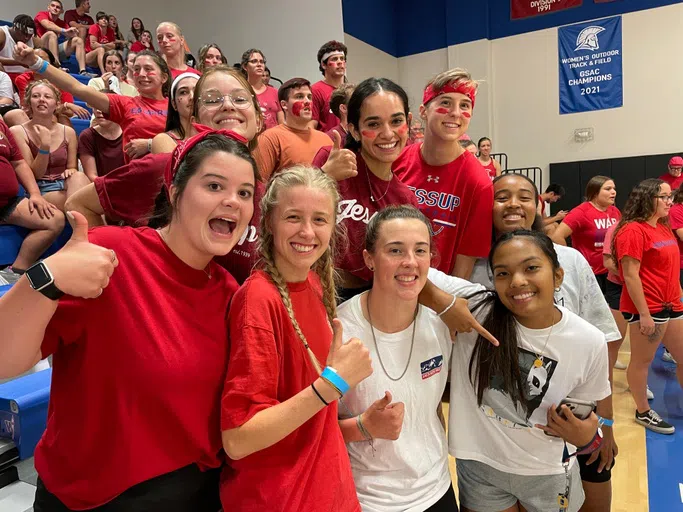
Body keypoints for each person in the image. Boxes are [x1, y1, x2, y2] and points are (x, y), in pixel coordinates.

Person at [0, 129, 258, 509]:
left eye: (245, 193)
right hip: (91, 498)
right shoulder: (111, 255)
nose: (232, 202)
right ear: (174, 191)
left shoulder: (231, 294)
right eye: (215, 185)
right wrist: (45, 279)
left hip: (192, 494)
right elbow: (6, 360)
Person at [451, 173, 620, 512]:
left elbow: (600, 344)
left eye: (524, 196)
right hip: (493, 443)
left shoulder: (568, 260)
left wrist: (605, 425)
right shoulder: (471, 265)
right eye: (502, 196)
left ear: (538, 204)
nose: (513, 203)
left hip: (567, 425)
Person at [220, 164, 372, 511]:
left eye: (319, 219)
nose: (307, 231)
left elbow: (311, 421)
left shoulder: (314, 283)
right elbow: (238, 438)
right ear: (270, 222)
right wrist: (332, 383)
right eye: (293, 217)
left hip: (326, 490)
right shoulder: (258, 300)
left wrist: (362, 424)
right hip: (281, 498)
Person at [66, 66, 263, 284]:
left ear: (259, 119)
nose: (227, 105)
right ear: (195, 118)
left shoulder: (268, 196)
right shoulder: (164, 167)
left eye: (240, 98)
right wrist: (116, 274)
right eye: (211, 99)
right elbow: (79, 204)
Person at [337, 205, 458, 511]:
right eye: (395, 250)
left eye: (420, 250)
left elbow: (431, 412)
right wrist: (363, 426)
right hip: (367, 498)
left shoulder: (440, 324)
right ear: (369, 259)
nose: (410, 262)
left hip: (437, 489)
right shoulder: (339, 330)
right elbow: (311, 429)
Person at [312, 77, 417, 300]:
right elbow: (288, 216)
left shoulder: (405, 198)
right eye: (373, 124)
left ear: (408, 122)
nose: (388, 133)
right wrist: (324, 177)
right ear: (355, 130)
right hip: (316, 289)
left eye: (396, 121)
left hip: (372, 299)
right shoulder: (330, 160)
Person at [392, 68, 494, 280]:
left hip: (437, 293)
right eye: (445, 102)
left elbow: (465, 261)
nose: (456, 113)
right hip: (386, 282)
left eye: (464, 105)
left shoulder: (478, 182)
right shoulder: (396, 161)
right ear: (423, 111)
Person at [14, 43, 169, 163]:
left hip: (173, 179)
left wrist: (149, 144)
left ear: (164, 77)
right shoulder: (125, 103)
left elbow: (189, 141)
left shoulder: (175, 106)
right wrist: (36, 63)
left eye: (148, 69)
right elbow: (77, 87)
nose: (141, 74)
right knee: (75, 203)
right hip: (138, 179)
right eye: (136, 69)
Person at [612, 178, 683, 435]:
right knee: (642, 361)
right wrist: (644, 314)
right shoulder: (632, 230)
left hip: (672, 304)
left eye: (670, 196)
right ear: (647, 198)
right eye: (663, 197)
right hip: (648, 307)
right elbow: (630, 275)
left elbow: (671, 268)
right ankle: (642, 411)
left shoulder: (663, 227)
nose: (669, 201)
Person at [11, 80, 89, 210]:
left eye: (47, 96)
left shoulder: (68, 132)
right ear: (29, 102)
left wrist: (72, 170)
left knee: (79, 176)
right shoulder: (18, 131)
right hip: (41, 188)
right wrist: (44, 146)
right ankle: (94, 229)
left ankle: (88, 229)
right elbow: (35, 175)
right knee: (85, 202)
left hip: (66, 184)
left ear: (56, 104)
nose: (41, 100)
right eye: (36, 96)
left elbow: (72, 167)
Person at [0, 117, 64, 273]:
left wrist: (35, 193)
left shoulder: (1, 124)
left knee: (54, 220)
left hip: (8, 203)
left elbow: (18, 162)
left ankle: (17, 270)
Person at [552, 176, 620, 294]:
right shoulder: (581, 212)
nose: (613, 192)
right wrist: (572, 260)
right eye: (608, 189)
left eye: (614, 188)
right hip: (591, 273)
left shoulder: (614, 211)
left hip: (611, 270)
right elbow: (557, 236)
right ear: (595, 192)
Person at [254, 77, 332, 179]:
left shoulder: (325, 139)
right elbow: (259, 186)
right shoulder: (270, 139)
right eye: (299, 96)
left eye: (309, 97)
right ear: (284, 105)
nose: (307, 101)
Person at [151, 72, 200, 153]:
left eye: (197, 91)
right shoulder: (163, 140)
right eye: (183, 92)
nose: (192, 97)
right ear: (174, 104)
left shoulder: (216, 134)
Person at [33, 0, 87, 71]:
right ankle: (57, 66)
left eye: (58, 7)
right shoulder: (41, 14)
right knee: (51, 34)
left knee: (78, 40)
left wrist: (73, 34)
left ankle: (83, 70)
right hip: (39, 47)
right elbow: (48, 25)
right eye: (52, 6)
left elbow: (71, 34)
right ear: (48, 8)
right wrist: (63, 31)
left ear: (62, 11)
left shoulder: (62, 23)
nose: (55, 8)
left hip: (53, 50)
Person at [240, 48, 282, 130]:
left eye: (261, 62)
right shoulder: (240, 92)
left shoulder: (274, 92)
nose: (259, 64)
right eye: (254, 61)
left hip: (272, 139)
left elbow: (281, 121)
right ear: (245, 66)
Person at [311, 40, 347, 132]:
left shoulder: (351, 90)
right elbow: (311, 126)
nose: (340, 62)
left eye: (342, 58)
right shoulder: (315, 90)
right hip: (328, 143)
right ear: (323, 64)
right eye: (334, 59)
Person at [78, 108, 124, 180]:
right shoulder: (87, 136)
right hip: (102, 188)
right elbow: (92, 177)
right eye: (95, 106)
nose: (98, 110)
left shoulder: (130, 132)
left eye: (103, 106)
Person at [0, 15, 41, 82]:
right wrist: (19, 62)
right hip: (5, 75)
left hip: (26, 77)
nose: (27, 38)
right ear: (15, 28)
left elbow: (45, 59)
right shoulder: (2, 33)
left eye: (30, 35)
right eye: (24, 33)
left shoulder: (34, 39)